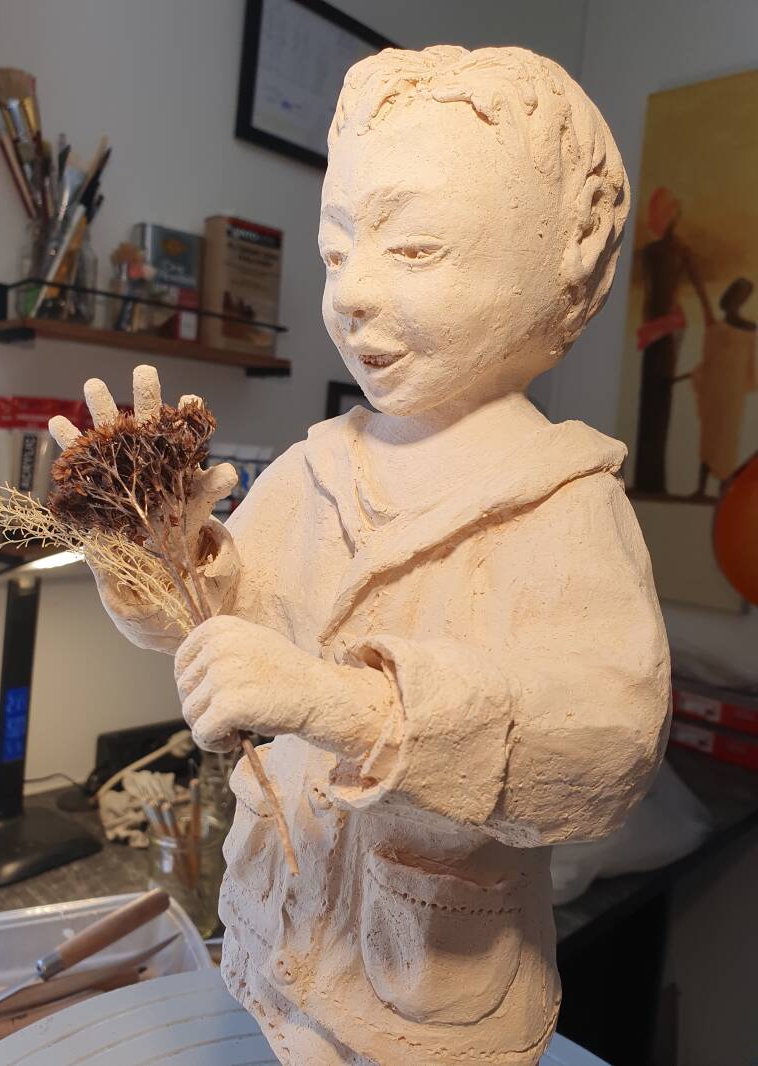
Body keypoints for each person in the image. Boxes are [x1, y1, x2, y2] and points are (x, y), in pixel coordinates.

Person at [51, 47, 669, 1066]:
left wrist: (348, 707)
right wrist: (154, 555)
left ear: (561, 262)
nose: (354, 296)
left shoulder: (562, 505)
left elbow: (604, 748)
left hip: (428, 1007)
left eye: (414, 249)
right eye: (337, 254)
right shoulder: (316, 467)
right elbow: (219, 621)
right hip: (268, 956)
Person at [634, 186, 714, 494]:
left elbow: (699, 288)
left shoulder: (681, 250)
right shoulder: (651, 252)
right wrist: (646, 326)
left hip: (671, 328)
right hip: (654, 329)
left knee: (661, 394)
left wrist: (710, 318)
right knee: (650, 395)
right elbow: (648, 293)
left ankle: (655, 481)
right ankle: (647, 479)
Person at [691, 277, 757, 498]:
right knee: (709, 439)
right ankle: (701, 488)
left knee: (728, 439)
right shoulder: (716, 329)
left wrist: (747, 383)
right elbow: (708, 361)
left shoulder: (749, 328)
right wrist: (698, 377)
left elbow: (749, 361)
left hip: (734, 392)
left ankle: (724, 489)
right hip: (714, 391)